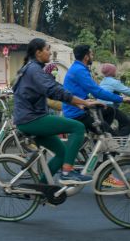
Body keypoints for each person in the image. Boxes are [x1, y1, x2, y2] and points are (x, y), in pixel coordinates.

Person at [13, 38, 103, 184]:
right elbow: (53, 90)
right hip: (31, 119)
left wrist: (78, 102)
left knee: (62, 152)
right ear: (38, 52)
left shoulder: (32, 68)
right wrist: (82, 101)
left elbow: (56, 87)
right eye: (47, 49)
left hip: (28, 118)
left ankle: (42, 187)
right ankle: (67, 172)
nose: (50, 53)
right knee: (77, 127)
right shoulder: (34, 70)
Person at [62, 45, 129, 135]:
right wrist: (122, 99)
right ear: (86, 57)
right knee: (113, 140)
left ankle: (100, 134)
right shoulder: (80, 71)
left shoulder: (77, 68)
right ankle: (106, 136)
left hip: (81, 108)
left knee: (110, 111)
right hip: (78, 113)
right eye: (92, 55)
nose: (92, 57)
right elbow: (97, 92)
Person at [97, 63, 130, 136]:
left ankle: (116, 138)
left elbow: (112, 94)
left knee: (104, 129)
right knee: (127, 122)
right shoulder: (113, 82)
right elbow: (127, 91)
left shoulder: (103, 81)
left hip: (100, 107)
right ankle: (119, 139)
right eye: (115, 70)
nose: (116, 72)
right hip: (109, 107)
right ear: (111, 72)